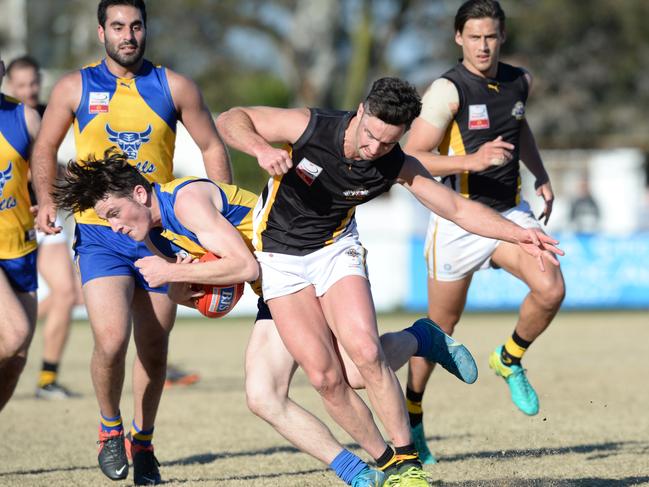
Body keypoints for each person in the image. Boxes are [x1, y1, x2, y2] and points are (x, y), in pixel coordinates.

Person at [52, 149, 478, 487]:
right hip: (275, 288)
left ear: (140, 195)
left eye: (113, 214)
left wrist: (174, 271)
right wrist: (192, 284)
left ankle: (422, 338)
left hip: (305, 264)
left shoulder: (186, 202)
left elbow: (245, 267)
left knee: (353, 374)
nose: (113, 227)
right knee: (262, 396)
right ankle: (359, 474)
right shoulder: (159, 234)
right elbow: (216, 294)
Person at [215, 76, 563, 485]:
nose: (374, 149)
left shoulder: (395, 162)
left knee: (365, 353)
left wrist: (517, 232)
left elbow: (456, 208)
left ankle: (406, 463)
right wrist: (258, 147)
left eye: (387, 142)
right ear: (360, 112)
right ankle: (417, 356)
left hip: (335, 249)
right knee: (331, 380)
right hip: (280, 259)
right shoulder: (310, 127)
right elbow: (230, 118)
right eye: (371, 136)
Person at [30, 1, 231, 484]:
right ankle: (108, 429)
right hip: (99, 233)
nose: (128, 35)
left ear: (146, 29)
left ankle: (143, 444)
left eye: (136, 26)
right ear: (101, 31)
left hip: (161, 234)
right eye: (118, 26)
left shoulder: (175, 86)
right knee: (112, 338)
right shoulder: (73, 87)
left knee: (155, 347)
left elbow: (212, 146)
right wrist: (43, 198)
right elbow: (44, 146)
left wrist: (218, 218)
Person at [403, 0, 566, 464]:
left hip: (509, 215)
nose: (482, 45)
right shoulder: (446, 91)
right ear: (459, 38)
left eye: (490, 36)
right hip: (458, 219)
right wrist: (470, 162)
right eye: (474, 36)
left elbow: (520, 126)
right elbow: (412, 156)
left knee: (551, 286)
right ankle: (413, 412)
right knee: (440, 331)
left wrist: (540, 172)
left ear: (503, 36)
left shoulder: (520, 80)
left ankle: (509, 359)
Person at [5, 54, 82, 399]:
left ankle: (47, 378)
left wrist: (52, 191)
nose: (28, 90)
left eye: (33, 84)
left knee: (66, 293)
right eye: (21, 85)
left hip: (38, 224)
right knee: (17, 332)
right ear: (10, 85)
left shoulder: (39, 116)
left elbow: (49, 164)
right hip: (15, 224)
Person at [0, 49, 42, 412]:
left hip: (21, 246)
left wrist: (48, 198)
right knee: (14, 335)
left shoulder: (24, 117)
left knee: (17, 357)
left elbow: (49, 167)